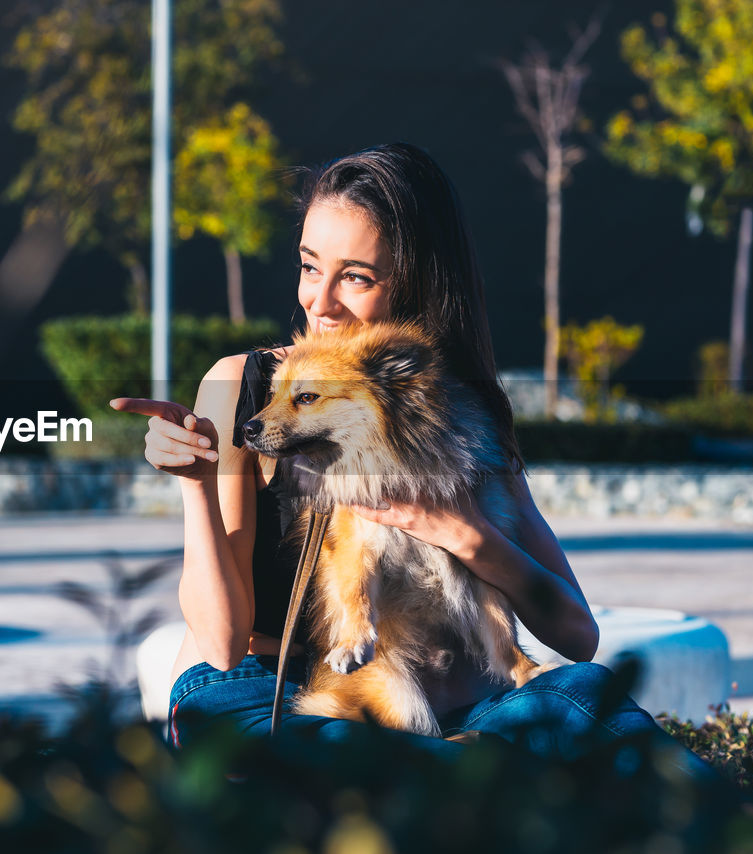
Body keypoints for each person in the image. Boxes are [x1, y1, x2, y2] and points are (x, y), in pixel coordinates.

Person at [109, 142, 719, 779]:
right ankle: (457, 772)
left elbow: (576, 635)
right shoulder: (249, 387)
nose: (319, 302)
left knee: (584, 697)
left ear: (416, 285)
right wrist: (197, 488)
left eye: (356, 277)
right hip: (266, 695)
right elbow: (221, 644)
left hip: (433, 708)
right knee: (389, 763)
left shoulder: (451, 408)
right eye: (310, 266)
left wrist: (455, 529)